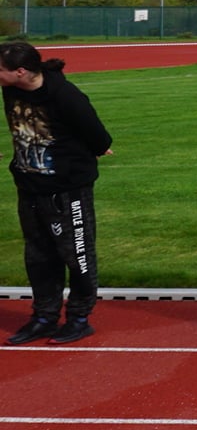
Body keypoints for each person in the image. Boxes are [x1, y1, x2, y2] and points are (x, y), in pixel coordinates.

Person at [2, 42, 112, 346]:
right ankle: (44, 317)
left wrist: (90, 152)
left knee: (77, 255)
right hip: (29, 187)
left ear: (20, 71)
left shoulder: (65, 95)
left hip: (67, 190)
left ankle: (79, 317)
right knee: (38, 257)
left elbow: (99, 137)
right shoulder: (11, 89)